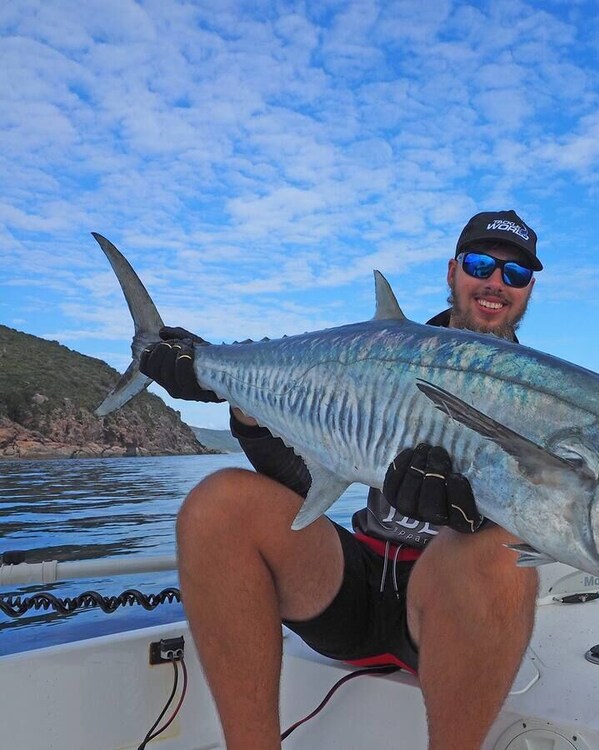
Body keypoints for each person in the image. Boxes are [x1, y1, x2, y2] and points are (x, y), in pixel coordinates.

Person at [139, 210, 544, 750]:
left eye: (514, 274)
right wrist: (237, 402)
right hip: (354, 584)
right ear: (453, 272)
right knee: (219, 504)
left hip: (446, 615)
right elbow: (299, 478)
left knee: (500, 553)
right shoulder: (371, 359)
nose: (495, 283)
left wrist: (479, 522)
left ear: (528, 289)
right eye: (480, 265)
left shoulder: (548, 399)